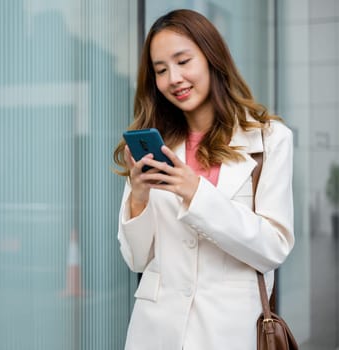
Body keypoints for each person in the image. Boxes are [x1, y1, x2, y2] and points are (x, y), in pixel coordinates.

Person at [113, 9, 294, 350]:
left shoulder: (269, 140)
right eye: (161, 70)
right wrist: (138, 196)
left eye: (183, 61)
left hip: (230, 331)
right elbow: (136, 260)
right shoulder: (157, 143)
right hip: (155, 332)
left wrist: (194, 191)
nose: (174, 78)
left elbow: (273, 248)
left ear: (212, 58)